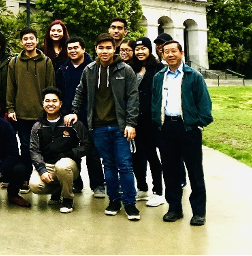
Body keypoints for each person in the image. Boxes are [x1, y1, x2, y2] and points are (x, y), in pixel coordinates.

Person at [65, 33, 140, 221]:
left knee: (125, 165)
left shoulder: (125, 70)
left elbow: (133, 98)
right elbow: (80, 91)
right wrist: (74, 110)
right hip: (98, 127)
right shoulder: (90, 70)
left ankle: (130, 204)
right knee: (108, 165)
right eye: (101, 48)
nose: (105, 51)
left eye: (108, 48)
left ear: (114, 49)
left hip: (120, 127)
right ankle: (114, 200)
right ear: (95, 49)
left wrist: (131, 123)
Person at [151, 40, 213, 226]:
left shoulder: (193, 76)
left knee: (194, 171)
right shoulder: (159, 76)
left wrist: (199, 124)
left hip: (188, 129)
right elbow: (155, 101)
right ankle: (174, 208)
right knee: (170, 171)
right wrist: (157, 123)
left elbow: (204, 103)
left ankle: (199, 212)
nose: (170, 55)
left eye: (173, 51)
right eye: (166, 52)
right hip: (166, 129)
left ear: (181, 53)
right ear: (162, 55)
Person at [55, 36, 105, 197]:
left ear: (83, 49)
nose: (73, 51)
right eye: (69, 48)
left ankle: (97, 185)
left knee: (92, 152)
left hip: (90, 116)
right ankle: (76, 183)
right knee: (72, 151)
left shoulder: (94, 68)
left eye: (76, 47)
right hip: (68, 117)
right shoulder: (63, 70)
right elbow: (59, 93)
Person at [6, 27, 56, 188]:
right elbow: (10, 87)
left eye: (31, 38)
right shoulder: (14, 62)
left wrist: (50, 110)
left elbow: (51, 87)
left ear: (37, 41)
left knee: (45, 147)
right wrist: (10, 108)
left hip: (42, 114)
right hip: (21, 114)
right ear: (21, 42)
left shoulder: (47, 62)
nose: (28, 41)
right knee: (26, 147)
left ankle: (48, 179)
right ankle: (25, 179)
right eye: (25, 39)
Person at [29, 86, 90, 213]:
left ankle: (67, 199)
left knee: (62, 166)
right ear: (43, 103)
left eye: (54, 101)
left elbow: (87, 144)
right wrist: (41, 170)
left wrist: (71, 154)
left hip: (68, 166)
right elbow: (34, 151)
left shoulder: (72, 123)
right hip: (48, 165)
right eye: (47, 101)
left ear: (60, 104)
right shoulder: (38, 126)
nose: (50, 104)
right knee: (35, 185)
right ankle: (58, 190)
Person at [130, 37, 165, 208]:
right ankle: (142, 188)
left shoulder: (158, 68)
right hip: (135, 120)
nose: (140, 51)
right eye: (137, 49)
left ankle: (158, 191)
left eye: (144, 48)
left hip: (152, 120)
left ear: (149, 50)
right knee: (137, 156)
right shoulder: (131, 68)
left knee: (152, 155)